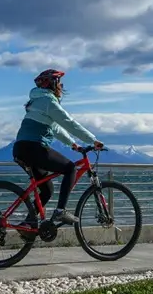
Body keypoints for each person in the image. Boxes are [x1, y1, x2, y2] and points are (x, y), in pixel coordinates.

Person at [12, 69, 104, 225]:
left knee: (47, 191)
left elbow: (55, 128)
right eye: (59, 83)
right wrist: (93, 140)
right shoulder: (49, 102)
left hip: (22, 148)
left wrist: (72, 144)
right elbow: (69, 123)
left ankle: (28, 224)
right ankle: (60, 211)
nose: (61, 86)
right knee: (70, 168)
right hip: (34, 147)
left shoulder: (38, 101)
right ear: (52, 84)